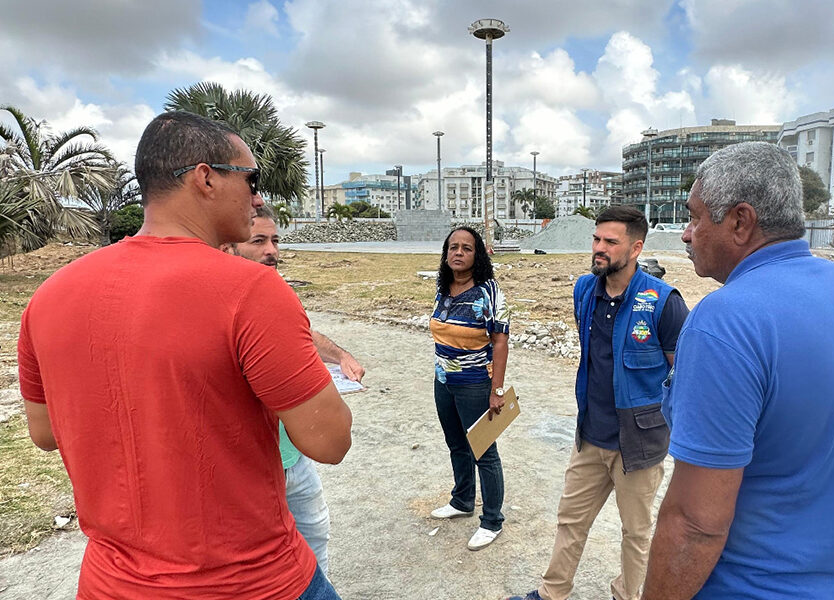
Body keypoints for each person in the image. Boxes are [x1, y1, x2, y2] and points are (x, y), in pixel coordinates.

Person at [18, 111, 352, 600]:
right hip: (250, 583)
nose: (257, 196)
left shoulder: (49, 295)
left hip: (110, 584)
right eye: (250, 178)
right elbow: (331, 441)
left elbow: (45, 434)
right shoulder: (250, 291)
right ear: (206, 178)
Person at [642, 142, 834, 599]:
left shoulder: (725, 322)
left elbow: (696, 522)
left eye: (696, 217)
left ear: (740, 221)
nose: (684, 233)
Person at [508, 206, 689, 600]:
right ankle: (552, 592)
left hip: (638, 445)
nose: (599, 249)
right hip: (590, 436)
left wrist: (671, 432)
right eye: (596, 239)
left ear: (636, 247)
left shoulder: (663, 302)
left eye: (611, 242)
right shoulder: (584, 290)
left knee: (636, 534)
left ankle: (627, 595)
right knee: (570, 521)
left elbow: (684, 377)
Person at [223, 203, 365, 576]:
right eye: (258, 241)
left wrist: (341, 356)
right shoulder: (216, 303)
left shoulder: (276, 294)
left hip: (294, 457)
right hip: (248, 466)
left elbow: (304, 335)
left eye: (274, 240)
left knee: (315, 539)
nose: (271, 250)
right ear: (229, 246)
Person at [428, 226, 510, 551]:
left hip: (476, 384)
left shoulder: (488, 291)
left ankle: (492, 520)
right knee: (456, 444)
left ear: (477, 256)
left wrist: (497, 390)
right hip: (444, 381)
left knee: (484, 452)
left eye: (466, 248)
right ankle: (462, 500)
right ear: (446, 253)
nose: (458, 253)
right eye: (453, 247)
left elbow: (501, 341)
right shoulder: (443, 288)